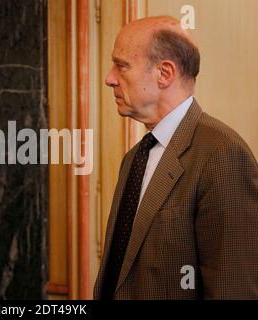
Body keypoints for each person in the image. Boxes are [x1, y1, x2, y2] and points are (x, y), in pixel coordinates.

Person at [94, 16, 258, 299]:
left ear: (164, 73)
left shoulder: (223, 154)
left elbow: (234, 288)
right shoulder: (135, 158)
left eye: (121, 65)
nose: (109, 78)